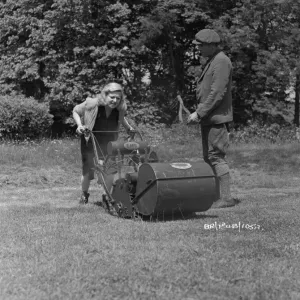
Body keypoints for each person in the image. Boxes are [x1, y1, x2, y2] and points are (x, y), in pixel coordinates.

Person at [187, 29, 237, 209]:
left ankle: (226, 198)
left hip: (216, 119)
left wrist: (199, 113)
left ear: (211, 45)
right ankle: (217, 196)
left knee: (216, 157)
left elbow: (217, 93)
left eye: (200, 45)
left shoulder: (221, 61)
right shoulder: (213, 61)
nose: (198, 48)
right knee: (209, 157)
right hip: (210, 118)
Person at [73, 82, 134, 204]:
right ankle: (84, 194)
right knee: (87, 171)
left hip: (110, 141)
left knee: (110, 169)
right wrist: (80, 125)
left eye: (118, 98)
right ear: (104, 95)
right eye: (112, 97)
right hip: (90, 140)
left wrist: (128, 128)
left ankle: (106, 196)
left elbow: (121, 119)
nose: (115, 100)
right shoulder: (92, 103)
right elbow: (75, 111)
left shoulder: (120, 107)